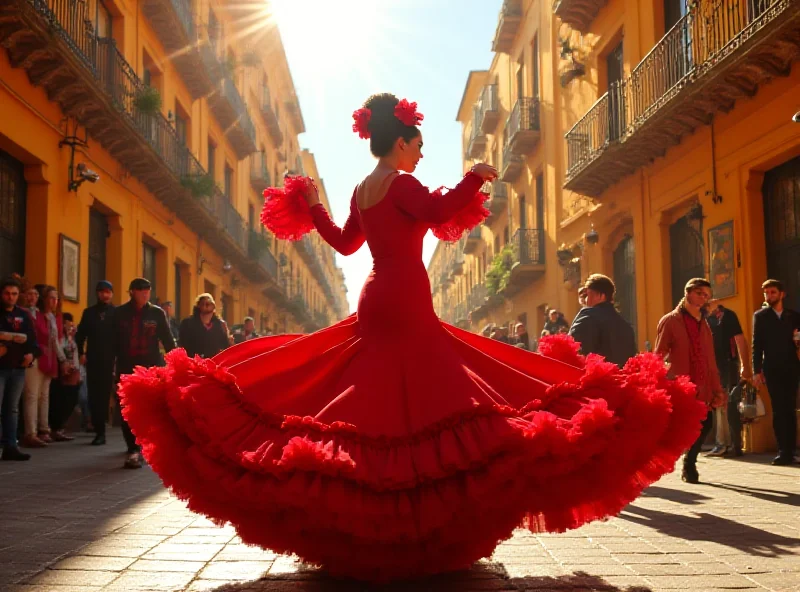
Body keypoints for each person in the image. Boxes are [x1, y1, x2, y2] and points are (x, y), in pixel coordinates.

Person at [119, 94, 705, 582]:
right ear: (400, 142)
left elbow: (346, 245)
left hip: (378, 294)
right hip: (403, 296)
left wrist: (313, 208)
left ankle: (382, 526)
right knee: (436, 396)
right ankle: (417, 526)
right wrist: (475, 176)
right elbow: (442, 207)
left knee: (380, 397)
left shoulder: (362, 191)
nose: (422, 154)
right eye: (420, 145)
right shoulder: (399, 185)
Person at [655, 278, 727, 484]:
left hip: (703, 380)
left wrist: (716, 388)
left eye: (706, 295)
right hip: (680, 381)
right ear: (687, 293)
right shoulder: (671, 320)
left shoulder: (704, 324)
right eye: (699, 293)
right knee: (677, 426)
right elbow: (659, 352)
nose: (703, 298)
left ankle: (690, 461)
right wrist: (656, 377)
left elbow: (710, 358)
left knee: (706, 423)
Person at [110, 278, 176, 469]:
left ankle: (142, 444)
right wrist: (109, 366)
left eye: (148, 289)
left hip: (150, 368)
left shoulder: (157, 313)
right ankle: (132, 449)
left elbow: (168, 340)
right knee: (127, 410)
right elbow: (111, 342)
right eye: (140, 290)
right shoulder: (119, 313)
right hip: (126, 367)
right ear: (132, 292)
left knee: (148, 408)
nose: (145, 293)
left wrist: (176, 363)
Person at [752, 279, 800, 466]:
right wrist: (756, 371)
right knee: (779, 409)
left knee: (790, 408)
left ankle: (791, 450)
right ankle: (783, 451)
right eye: (766, 293)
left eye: (772, 292)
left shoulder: (794, 316)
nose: (769, 296)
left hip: (792, 367)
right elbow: (757, 345)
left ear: (782, 294)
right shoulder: (761, 316)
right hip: (772, 369)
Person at [706, 302, 751, 457]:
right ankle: (723, 443)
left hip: (729, 365)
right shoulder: (706, 318)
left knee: (730, 404)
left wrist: (745, 366)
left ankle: (733, 444)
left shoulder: (729, 315)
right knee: (719, 404)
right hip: (714, 367)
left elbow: (740, 339)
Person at [0, 276, 38, 461]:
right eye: (7, 293)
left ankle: (10, 446)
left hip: (18, 369)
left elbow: (32, 340)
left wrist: (31, 354)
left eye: (14, 294)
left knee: (12, 408)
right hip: (1, 367)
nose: (10, 297)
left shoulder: (24, 315)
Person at [23, 286, 66, 447]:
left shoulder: (53, 317)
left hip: (49, 358)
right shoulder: (35, 314)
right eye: (51, 297)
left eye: (56, 298)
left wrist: (62, 359)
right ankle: (30, 432)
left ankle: (43, 429)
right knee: (32, 395)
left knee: (44, 396)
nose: (54, 301)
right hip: (35, 357)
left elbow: (55, 340)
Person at [75, 280, 116, 446]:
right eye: (101, 292)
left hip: (110, 360)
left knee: (105, 396)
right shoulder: (89, 313)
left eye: (108, 292)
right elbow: (80, 335)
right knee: (93, 396)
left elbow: (120, 338)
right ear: (97, 293)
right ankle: (99, 431)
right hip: (92, 359)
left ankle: (104, 428)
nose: (105, 295)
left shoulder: (116, 313)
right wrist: (81, 353)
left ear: (111, 294)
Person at [568, 274, 637, 368]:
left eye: (588, 295)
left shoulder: (588, 315)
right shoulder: (626, 326)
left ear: (601, 296)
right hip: (620, 380)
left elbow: (572, 349)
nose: (586, 300)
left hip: (594, 379)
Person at [48, 312, 80, 442]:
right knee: (60, 399)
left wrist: (76, 368)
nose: (69, 327)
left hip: (73, 370)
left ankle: (60, 427)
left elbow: (75, 352)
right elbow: (58, 349)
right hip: (61, 370)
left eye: (70, 324)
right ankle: (56, 428)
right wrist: (64, 362)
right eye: (66, 324)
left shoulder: (72, 338)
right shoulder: (59, 338)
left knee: (72, 398)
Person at [178, 294, 230, 358]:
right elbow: (181, 345)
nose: (206, 304)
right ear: (198, 306)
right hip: (192, 363)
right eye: (203, 303)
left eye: (209, 302)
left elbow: (226, 346)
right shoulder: (187, 323)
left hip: (212, 363)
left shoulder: (220, 325)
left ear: (213, 306)